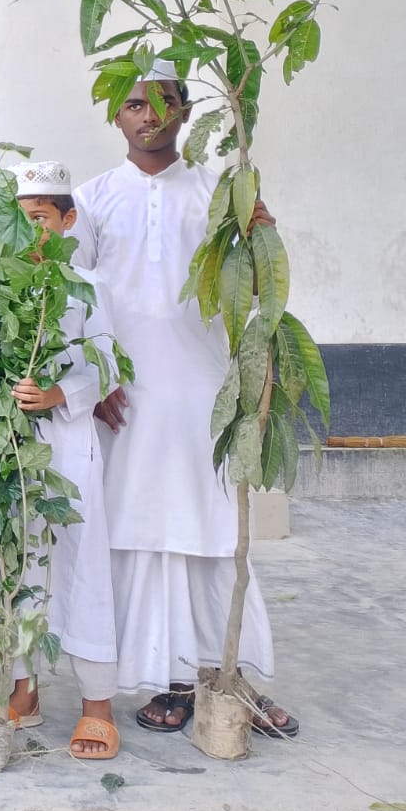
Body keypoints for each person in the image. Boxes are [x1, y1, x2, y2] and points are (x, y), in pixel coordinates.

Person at [69, 65, 296, 739]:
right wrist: (94, 378)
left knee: (211, 528)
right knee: (140, 532)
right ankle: (166, 680)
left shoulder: (219, 192)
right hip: (126, 394)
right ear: (116, 116)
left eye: (165, 102)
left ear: (188, 113)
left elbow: (256, 288)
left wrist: (261, 237)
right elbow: (73, 297)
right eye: (134, 104)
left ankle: (230, 676)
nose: (150, 116)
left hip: (205, 387)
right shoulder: (93, 198)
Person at [0, 160, 121, 759]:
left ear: (68, 219)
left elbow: (108, 363)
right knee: (12, 561)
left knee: (81, 562)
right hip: (8, 449)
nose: (29, 235)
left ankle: (97, 705)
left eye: (40, 220)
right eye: (17, 223)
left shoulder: (88, 285)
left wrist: (59, 395)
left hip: (68, 444)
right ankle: (20, 692)